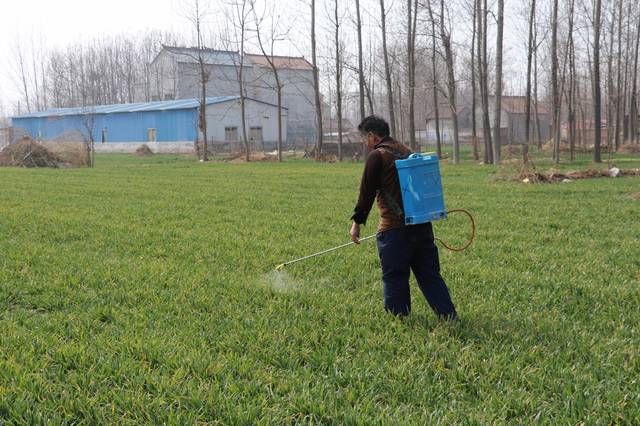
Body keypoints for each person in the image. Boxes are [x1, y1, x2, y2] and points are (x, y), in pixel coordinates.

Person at [349, 115, 457, 319]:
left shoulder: (377, 156)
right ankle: (449, 315)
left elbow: (366, 194)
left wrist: (356, 224)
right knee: (430, 275)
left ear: (372, 136)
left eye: (365, 138)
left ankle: (399, 320)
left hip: (394, 230)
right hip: (422, 226)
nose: (365, 143)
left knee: (395, 276)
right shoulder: (407, 151)